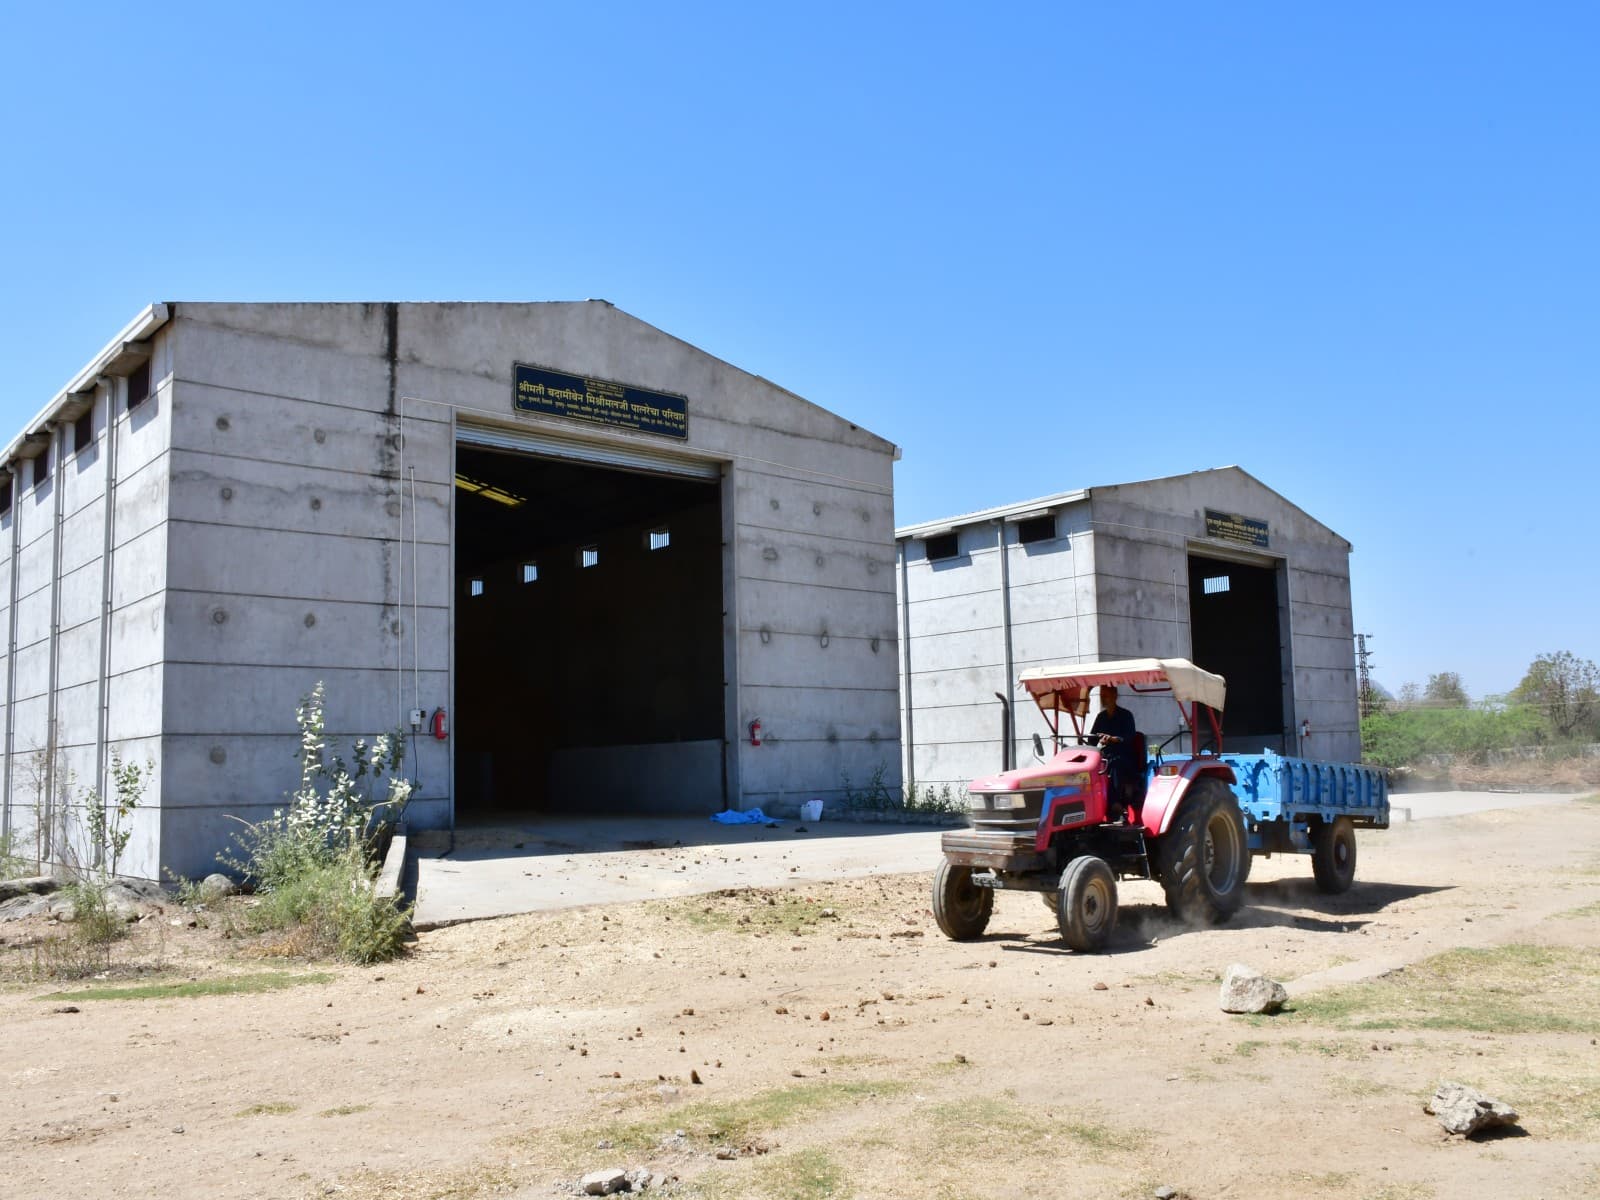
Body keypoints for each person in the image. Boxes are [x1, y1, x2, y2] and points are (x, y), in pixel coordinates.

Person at [1089, 685, 1140, 815]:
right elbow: (1092, 738)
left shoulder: (1126, 715)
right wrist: (1098, 739)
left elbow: (1129, 737)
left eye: (1105, 696)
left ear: (1115, 696)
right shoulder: (1101, 717)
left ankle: (1115, 803)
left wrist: (1113, 739)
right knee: (1094, 767)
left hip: (1125, 756)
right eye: (1102, 696)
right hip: (1105, 755)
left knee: (1115, 765)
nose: (1103, 699)